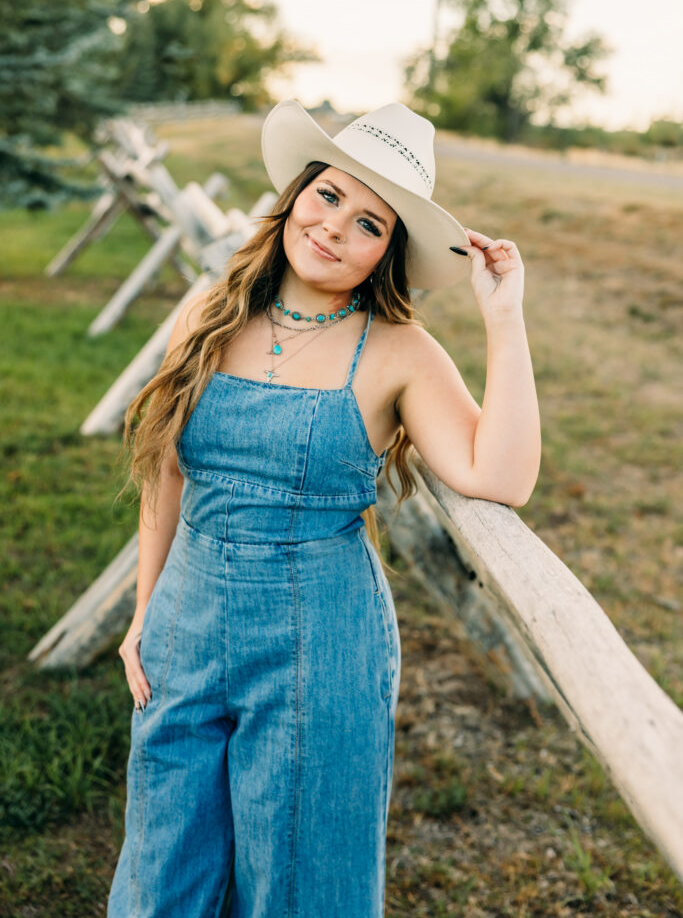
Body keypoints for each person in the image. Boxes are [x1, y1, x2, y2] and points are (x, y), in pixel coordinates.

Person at [108, 99, 541, 918]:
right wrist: (144, 613)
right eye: (330, 195)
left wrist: (504, 318)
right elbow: (164, 475)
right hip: (186, 622)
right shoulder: (209, 314)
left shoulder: (399, 351)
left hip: (322, 637)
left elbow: (502, 475)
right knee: (162, 870)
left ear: (389, 253)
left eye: (370, 223)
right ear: (298, 191)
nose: (336, 227)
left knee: (305, 878)